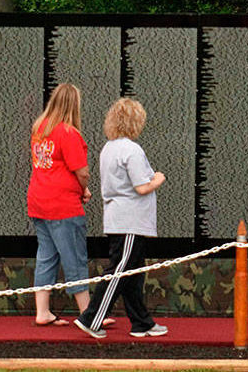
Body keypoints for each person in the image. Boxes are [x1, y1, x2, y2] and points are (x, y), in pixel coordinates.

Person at [75, 98, 168, 339]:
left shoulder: (109, 147)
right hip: (131, 221)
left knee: (133, 274)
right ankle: (91, 318)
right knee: (120, 270)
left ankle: (142, 323)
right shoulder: (132, 150)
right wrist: (158, 178)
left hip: (120, 219)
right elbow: (142, 187)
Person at [27, 83, 94, 327]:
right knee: (74, 257)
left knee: (46, 256)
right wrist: (84, 188)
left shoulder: (40, 128)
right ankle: (87, 314)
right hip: (63, 205)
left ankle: (42, 312)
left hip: (38, 202)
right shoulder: (68, 132)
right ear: (74, 105)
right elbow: (81, 171)